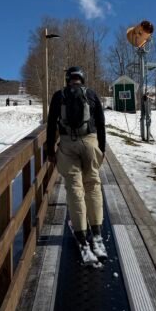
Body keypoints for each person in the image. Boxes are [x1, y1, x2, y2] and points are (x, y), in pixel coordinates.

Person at [46, 66, 107, 265]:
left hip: (67, 144)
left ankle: (82, 238)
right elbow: (101, 122)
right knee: (93, 186)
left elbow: (50, 124)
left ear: (67, 79)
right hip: (89, 142)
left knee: (74, 189)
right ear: (82, 79)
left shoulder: (59, 95)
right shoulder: (91, 94)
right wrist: (102, 149)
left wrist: (50, 151)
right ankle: (97, 235)